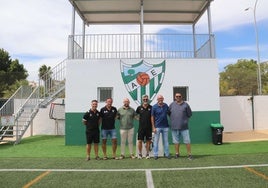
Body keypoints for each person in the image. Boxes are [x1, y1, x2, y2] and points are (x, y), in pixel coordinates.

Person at [169, 93, 193, 160]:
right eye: (177, 96)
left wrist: (184, 121)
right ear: (175, 97)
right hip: (174, 127)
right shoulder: (171, 105)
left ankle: (189, 154)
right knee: (176, 141)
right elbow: (169, 113)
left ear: (181, 97)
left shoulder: (186, 105)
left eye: (179, 96)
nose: (178, 97)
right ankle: (177, 153)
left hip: (184, 127)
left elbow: (189, 114)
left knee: (187, 141)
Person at [151, 94, 171, 160]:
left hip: (165, 126)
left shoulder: (166, 106)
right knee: (156, 142)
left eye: (161, 98)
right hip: (157, 127)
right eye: (159, 98)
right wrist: (153, 127)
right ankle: (155, 154)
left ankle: (167, 154)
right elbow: (152, 117)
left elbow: (169, 114)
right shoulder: (154, 107)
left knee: (166, 141)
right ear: (157, 99)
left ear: (163, 99)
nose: (160, 100)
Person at [136, 94, 152, 159]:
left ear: (148, 100)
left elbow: (153, 117)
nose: (145, 100)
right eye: (144, 99)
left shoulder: (151, 107)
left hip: (149, 127)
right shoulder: (139, 108)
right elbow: (135, 115)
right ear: (142, 100)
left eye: (146, 99)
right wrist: (138, 119)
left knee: (148, 141)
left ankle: (147, 154)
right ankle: (140, 154)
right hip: (141, 128)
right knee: (140, 141)